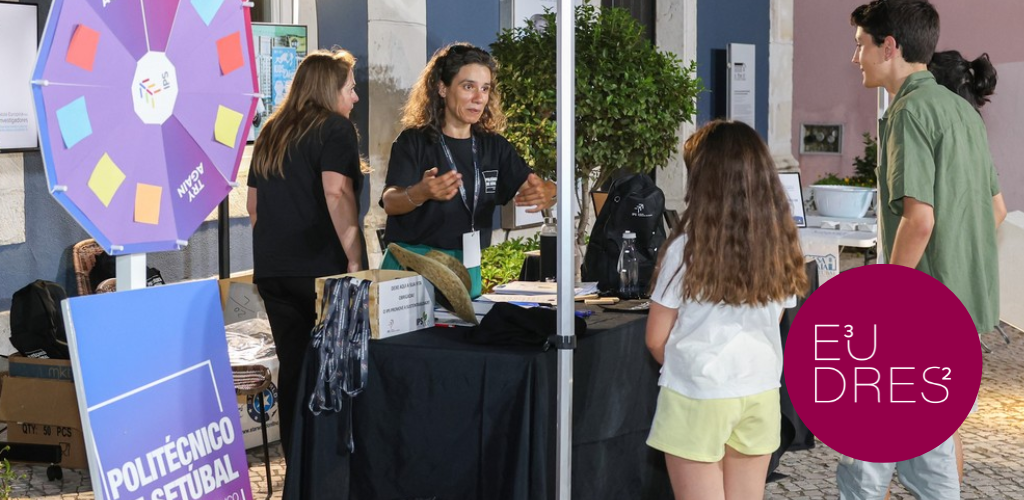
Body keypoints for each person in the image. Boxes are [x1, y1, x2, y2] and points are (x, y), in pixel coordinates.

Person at [842, 2, 1005, 498]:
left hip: (920, 311)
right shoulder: (961, 110)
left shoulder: (910, 111)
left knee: (866, 451)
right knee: (932, 446)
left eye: (861, 45)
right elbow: (995, 211)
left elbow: (919, 220)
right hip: (965, 308)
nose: (857, 59)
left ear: (889, 46)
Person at [645, 120, 808, 500]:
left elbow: (656, 338)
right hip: (761, 389)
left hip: (696, 391)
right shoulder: (780, 242)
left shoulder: (686, 247)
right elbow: (778, 315)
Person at [246, 49, 364, 462]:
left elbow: (254, 209)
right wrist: (355, 258)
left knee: (294, 371)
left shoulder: (271, 131)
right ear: (329, 88)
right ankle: (328, 468)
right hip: (321, 272)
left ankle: (297, 469)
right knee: (334, 370)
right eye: (351, 88)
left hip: (274, 272)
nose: (355, 98)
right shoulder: (335, 128)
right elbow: (337, 192)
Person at [379, 43, 556, 297]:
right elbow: (390, 201)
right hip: (413, 267)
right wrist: (421, 192)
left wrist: (551, 190)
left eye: (485, 89)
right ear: (442, 88)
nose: (479, 97)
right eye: (468, 86)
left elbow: (535, 186)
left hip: (468, 264)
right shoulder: (414, 141)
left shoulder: (494, 146)